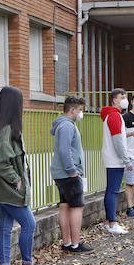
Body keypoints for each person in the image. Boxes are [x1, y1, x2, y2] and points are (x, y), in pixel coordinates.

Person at [0, 86, 50, 265]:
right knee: (29, 224)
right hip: (10, 189)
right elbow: (0, 161)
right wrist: (16, 179)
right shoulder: (6, 129)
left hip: (3, 189)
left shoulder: (2, 127)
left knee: (5, 228)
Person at [51, 95, 93, 253]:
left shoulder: (62, 124)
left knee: (65, 206)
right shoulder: (67, 126)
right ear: (73, 110)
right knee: (77, 207)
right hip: (68, 174)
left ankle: (67, 243)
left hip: (61, 173)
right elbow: (64, 150)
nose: (81, 113)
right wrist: (72, 170)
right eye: (80, 110)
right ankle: (75, 244)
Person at [99, 88, 129, 234]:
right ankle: (112, 223)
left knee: (111, 190)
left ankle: (111, 221)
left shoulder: (111, 115)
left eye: (125, 96)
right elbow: (117, 140)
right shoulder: (114, 115)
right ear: (114, 100)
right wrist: (126, 159)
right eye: (121, 97)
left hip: (112, 157)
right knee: (113, 191)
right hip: (115, 159)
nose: (124, 99)